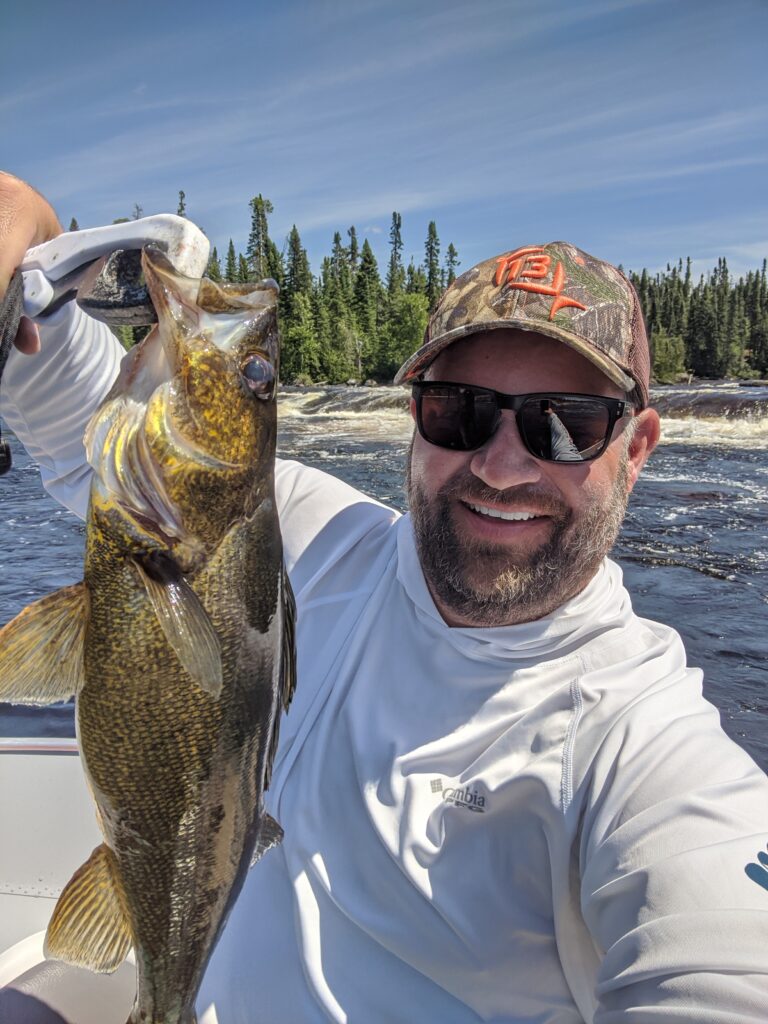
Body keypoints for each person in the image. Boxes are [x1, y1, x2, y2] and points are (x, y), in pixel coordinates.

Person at [1, 171, 767, 1023]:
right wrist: (32, 249)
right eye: (461, 409)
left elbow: (725, 962)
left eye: (568, 422)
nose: (504, 464)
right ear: (414, 417)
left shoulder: (644, 747)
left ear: (639, 447)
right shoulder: (300, 534)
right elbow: (90, 436)